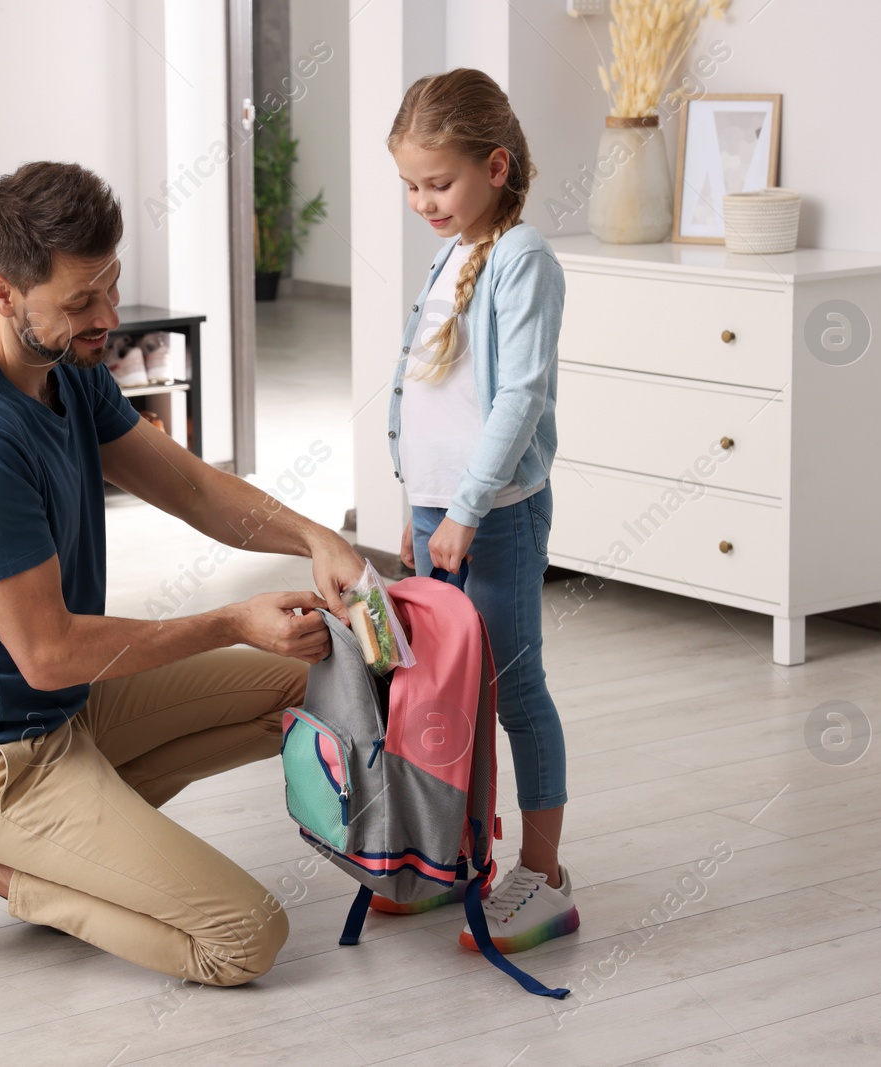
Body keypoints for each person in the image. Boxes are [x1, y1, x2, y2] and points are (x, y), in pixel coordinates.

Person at [0, 161, 367, 988]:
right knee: (243, 938)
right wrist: (230, 621)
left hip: (67, 714)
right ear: (2, 293)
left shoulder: (66, 365)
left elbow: (191, 486)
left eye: (112, 289)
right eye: (79, 303)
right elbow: (50, 653)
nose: (107, 320)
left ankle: (79, 847)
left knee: (304, 679)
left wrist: (314, 537)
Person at [384, 69, 577, 954]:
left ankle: (544, 879)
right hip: (441, 517)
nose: (424, 200)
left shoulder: (520, 257)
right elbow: (430, 397)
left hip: (493, 518)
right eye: (411, 186)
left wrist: (462, 510)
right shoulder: (451, 248)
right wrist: (416, 505)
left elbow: (518, 398)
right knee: (447, 696)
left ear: (495, 166)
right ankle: (457, 862)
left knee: (514, 693)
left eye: (438, 182)